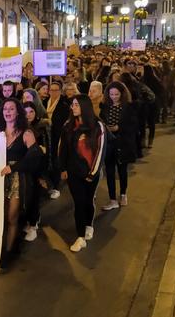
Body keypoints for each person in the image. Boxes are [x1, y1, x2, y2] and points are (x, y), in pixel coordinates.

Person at [59, 94, 106, 252]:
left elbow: (100, 150)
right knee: (78, 202)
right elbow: (63, 148)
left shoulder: (97, 126)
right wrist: (63, 168)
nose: (73, 107)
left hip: (91, 172)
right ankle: (80, 236)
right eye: (72, 105)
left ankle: (88, 225)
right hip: (74, 172)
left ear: (84, 106)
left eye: (76, 105)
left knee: (88, 200)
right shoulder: (68, 125)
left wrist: (92, 173)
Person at [0, 98, 38, 270]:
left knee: (12, 216)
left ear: (18, 112)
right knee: (1, 217)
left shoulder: (26, 133)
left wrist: (14, 167)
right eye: (5, 108)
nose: (8, 111)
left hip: (16, 180)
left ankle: (9, 252)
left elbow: (35, 156)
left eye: (11, 108)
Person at [100, 82, 138, 210]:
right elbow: (101, 120)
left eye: (116, 94)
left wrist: (119, 127)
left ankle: (123, 194)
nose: (114, 97)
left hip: (123, 142)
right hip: (109, 143)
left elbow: (134, 125)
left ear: (122, 94)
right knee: (109, 171)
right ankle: (112, 199)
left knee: (122, 170)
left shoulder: (129, 107)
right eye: (111, 94)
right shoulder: (105, 106)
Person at [23, 101, 51, 241]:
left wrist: (44, 173)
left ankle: (33, 225)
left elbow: (46, 151)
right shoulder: (19, 127)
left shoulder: (42, 127)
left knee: (34, 197)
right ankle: (29, 221)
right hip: (24, 168)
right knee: (26, 197)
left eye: (31, 112)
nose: (28, 115)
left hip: (37, 168)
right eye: (25, 112)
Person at [44, 81, 69, 199]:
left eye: (56, 90)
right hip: (46, 136)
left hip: (57, 135)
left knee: (56, 160)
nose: (53, 92)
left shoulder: (64, 104)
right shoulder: (45, 102)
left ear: (60, 91)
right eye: (51, 90)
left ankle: (56, 186)